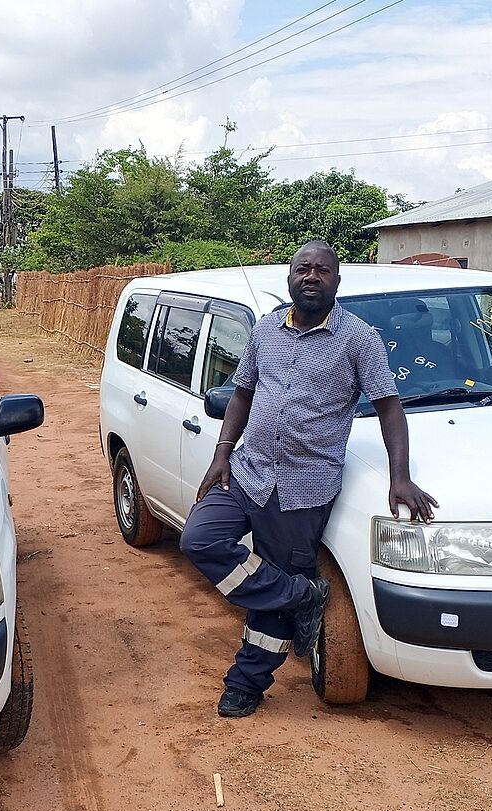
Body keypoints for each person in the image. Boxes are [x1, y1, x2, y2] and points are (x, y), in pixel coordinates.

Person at [180, 241, 438, 718]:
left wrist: (399, 477)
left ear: (337, 281)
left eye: (322, 270)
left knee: (269, 608)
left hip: (303, 488)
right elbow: (241, 394)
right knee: (199, 539)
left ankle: (246, 684)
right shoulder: (265, 330)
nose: (312, 277)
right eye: (303, 269)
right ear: (290, 278)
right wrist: (222, 453)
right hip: (248, 471)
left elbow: (389, 408)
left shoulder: (358, 338)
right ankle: (303, 594)